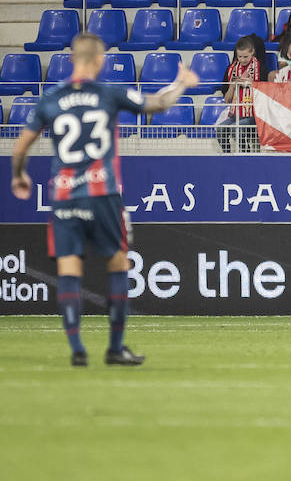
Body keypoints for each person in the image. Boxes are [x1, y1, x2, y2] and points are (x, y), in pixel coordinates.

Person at [9, 33, 197, 367]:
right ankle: (114, 347)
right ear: (99, 60)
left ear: (70, 60)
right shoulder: (109, 94)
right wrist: (180, 83)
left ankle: (78, 350)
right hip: (102, 192)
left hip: (65, 196)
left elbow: (21, 145)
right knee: (118, 263)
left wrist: (19, 175)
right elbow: (158, 103)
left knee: (69, 269)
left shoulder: (50, 98)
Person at [217, 36, 263, 153]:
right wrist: (233, 85)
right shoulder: (231, 69)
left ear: (252, 52)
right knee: (220, 129)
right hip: (236, 113)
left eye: (245, 57)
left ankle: (245, 154)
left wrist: (251, 84)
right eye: (239, 57)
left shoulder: (260, 68)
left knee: (235, 129)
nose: (242, 60)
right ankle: (227, 155)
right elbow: (227, 100)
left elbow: (265, 95)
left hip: (254, 114)